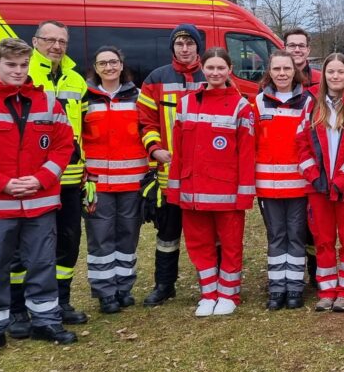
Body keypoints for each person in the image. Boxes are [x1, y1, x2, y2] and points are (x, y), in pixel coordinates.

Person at [0, 37, 77, 361]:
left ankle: (46, 322)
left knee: (42, 264)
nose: (18, 71)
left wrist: (41, 178)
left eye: (23, 65)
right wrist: (2, 183)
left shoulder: (49, 103)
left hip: (39, 201)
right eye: (11, 65)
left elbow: (64, 146)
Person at [7, 20, 89, 337]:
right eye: (50, 39)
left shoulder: (77, 80)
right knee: (23, 247)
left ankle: (59, 302)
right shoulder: (24, 74)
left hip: (69, 178)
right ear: (35, 41)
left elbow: (85, 127)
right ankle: (18, 309)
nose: (56, 46)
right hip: (33, 180)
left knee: (67, 243)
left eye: (62, 41)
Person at [166, 47, 257, 317]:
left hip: (227, 192)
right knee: (199, 244)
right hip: (192, 191)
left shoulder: (241, 105)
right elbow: (178, 151)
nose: (215, 73)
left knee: (230, 244)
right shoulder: (186, 103)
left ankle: (229, 293)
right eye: (210, 68)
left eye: (221, 68)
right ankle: (208, 292)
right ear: (202, 69)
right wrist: (176, 190)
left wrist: (244, 195)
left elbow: (247, 154)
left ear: (229, 70)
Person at [137, 23, 207, 306]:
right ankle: (164, 284)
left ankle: (209, 282)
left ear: (198, 47)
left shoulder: (213, 73)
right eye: (180, 44)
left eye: (190, 43)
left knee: (207, 232)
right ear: (172, 48)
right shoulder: (156, 79)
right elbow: (145, 120)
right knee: (167, 234)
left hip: (204, 173)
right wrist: (155, 149)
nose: (185, 48)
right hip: (169, 173)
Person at [298, 53, 344, 312]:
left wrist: (341, 180)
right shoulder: (311, 107)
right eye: (331, 72)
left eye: (340, 72)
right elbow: (302, 146)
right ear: (324, 76)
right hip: (318, 189)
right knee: (323, 240)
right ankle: (327, 289)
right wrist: (314, 177)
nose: (335, 76)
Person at [81, 46, 148, 315]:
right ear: (95, 69)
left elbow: (148, 132)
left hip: (132, 182)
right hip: (97, 185)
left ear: (122, 65)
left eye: (113, 62)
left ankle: (124, 287)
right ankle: (105, 292)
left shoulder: (139, 98)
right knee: (100, 239)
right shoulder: (85, 98)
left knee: (128, 237)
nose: (109, 67)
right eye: (102, 63)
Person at [254, 49, 314, 310]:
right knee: (276, 236)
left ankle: (295, 288)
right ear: (270, 71)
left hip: (299, 186)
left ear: (295, 71)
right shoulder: (258, 103)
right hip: (267, 186)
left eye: (286, 69)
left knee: (297, 236)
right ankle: (277, 288)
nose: (281, 73)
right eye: (277, 69)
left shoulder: (309, 102)